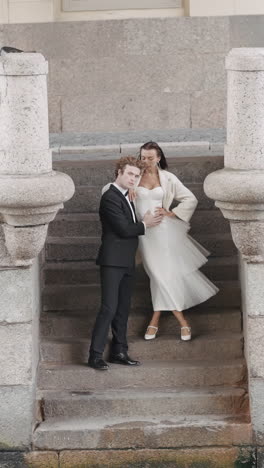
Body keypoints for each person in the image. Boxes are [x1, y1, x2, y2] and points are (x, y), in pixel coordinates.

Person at [135, 141, 219, 341]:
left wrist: (171, 213)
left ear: (158, 158)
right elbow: (114, 190)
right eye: (142, 157)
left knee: (164, 275)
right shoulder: (134, 176)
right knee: (157, 273)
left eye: (149, 157)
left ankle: (155, 321)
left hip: (164, 232)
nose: (145, 161)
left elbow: (190, 199)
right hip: (144, 233)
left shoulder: (168, 178)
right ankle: (182, 321)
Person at [88, 156, 163, 370]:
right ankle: (94, 355)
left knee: (122, 309)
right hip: (112, 261)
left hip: (127, 260)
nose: (133, 178)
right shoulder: (110, 197)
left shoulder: (127, 196)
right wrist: (145, 224)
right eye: (130, 173)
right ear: (119, 172)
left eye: (137, 176)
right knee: (109, 308)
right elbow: (123, 229)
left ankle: (119, 351)